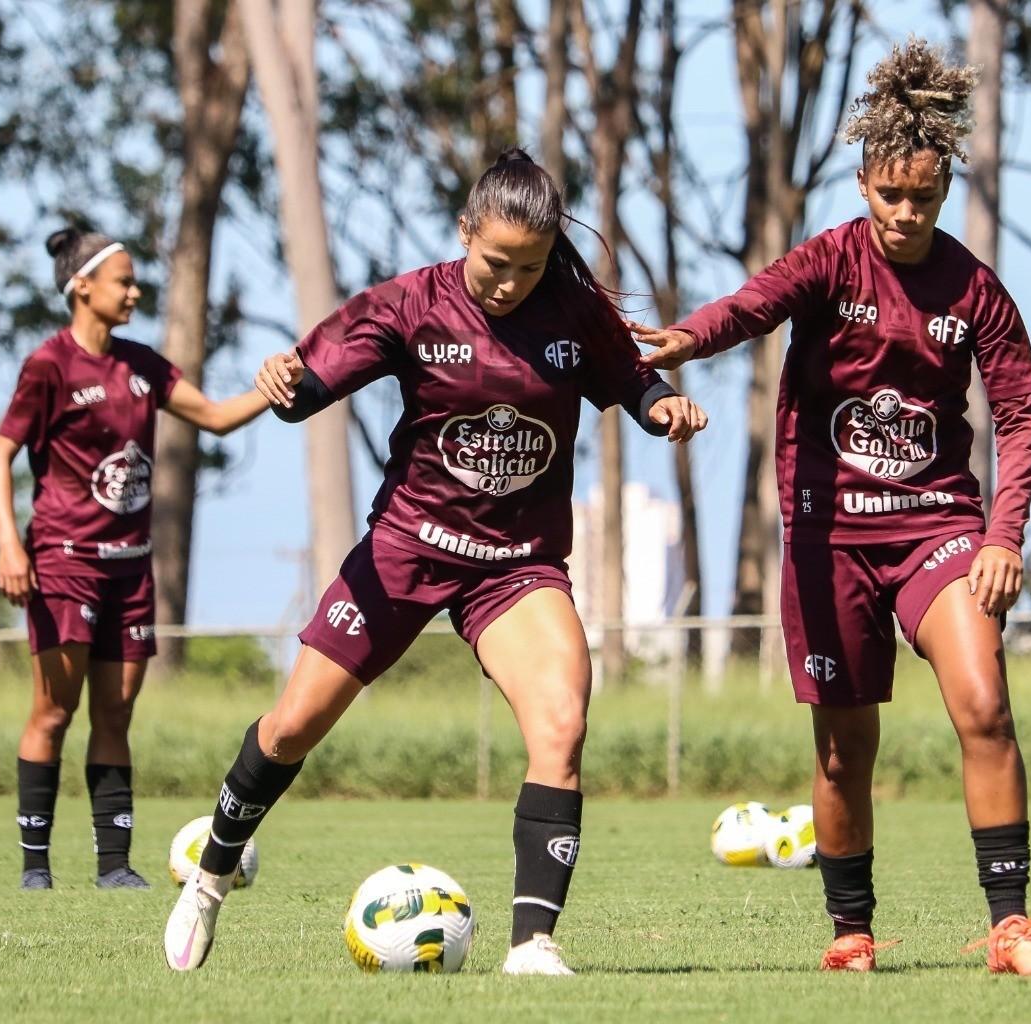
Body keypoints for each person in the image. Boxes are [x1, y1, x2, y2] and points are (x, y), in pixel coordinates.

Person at [163, 149, 707, 974]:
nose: (509, 282)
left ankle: (532, 946)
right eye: (495, 262)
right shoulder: (411, 302)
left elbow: (628, 377)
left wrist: (661, 403)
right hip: (408, 547)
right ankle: (209, 880)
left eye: (528, 267)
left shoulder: (572, 308)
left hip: (516, 566)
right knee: (291, 728)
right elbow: (313, 381)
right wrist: (285, 383)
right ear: (464, 233)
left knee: (561, 723)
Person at [632, 39, 1031, 976]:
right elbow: (751, 306)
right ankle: (851, 934)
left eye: (926, 198)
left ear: (945, 189)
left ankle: (1012, 926)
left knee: (986, 705)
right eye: (891, 195)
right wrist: (684, 339)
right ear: (864, 180)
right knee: (843, 750)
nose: (907, 214)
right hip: (830, 538)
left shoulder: (975, 291)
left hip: (938, 529)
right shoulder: (828, 262)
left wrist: (1003, 533)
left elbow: (1022, 412)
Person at [0, 227, 270, 890]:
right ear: (81, 287)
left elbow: (219, 417)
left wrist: (287, 383)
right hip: (63, 562)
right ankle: (36, 868)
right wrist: (9, 543)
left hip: (130, 569)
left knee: (116, 716)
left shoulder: (141, 364)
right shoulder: (48, 366)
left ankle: (114, 867)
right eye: (125, 281)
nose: (136, 291)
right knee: (53, 713)